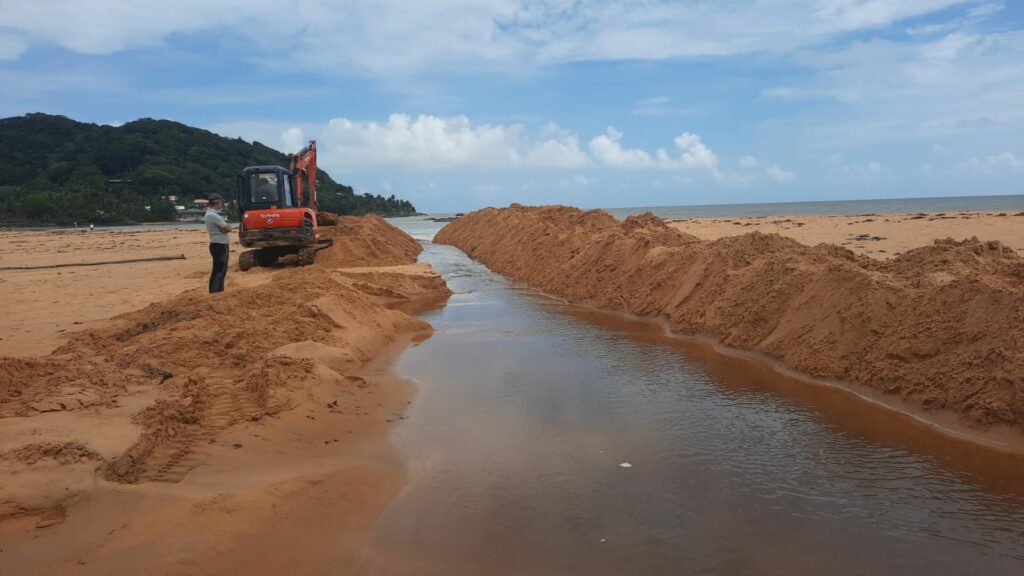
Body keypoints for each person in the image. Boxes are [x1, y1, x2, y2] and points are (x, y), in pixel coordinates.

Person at [205, 193, 233, 293]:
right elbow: (228, 228)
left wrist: (224, 229)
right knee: (219, 269)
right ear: (217, 202)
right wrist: (225, 229)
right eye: (221, 202)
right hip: (219, 244)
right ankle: (216, 291)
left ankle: (217, 290)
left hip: (217, 243)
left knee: (219, 269)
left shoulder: (210, 214)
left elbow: (225, 228)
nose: (222, 204)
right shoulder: (213, 215)